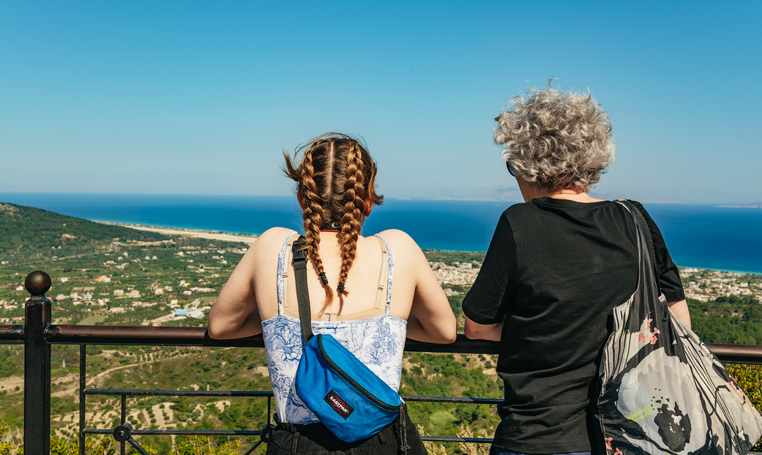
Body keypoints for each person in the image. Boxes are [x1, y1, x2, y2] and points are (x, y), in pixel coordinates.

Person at [462, 86, 690, 455]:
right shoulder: (634, 218)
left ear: (526, 163)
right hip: (635, 432)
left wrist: (539, 328)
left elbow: (477, 327)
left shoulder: (519, 223)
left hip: (537, 434)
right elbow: (678, 321)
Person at [209, 133, 457, 455]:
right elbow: (445, 331)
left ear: (302, 199)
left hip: (298, 443)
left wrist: (276, 323)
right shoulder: (399, 249)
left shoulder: (272, 247)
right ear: (367, 200)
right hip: (381, 442)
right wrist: (393, 324)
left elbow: (220, 327)